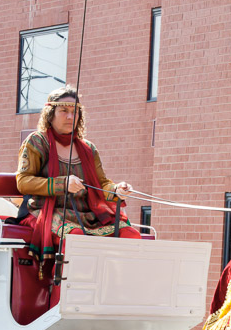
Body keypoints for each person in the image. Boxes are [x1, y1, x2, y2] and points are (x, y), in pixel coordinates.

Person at [16, 85, 139, 268]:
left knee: (131, 234)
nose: (70, 117)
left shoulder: (89, 148)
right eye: (64, 111)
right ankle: (65, 294)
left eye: (75, 112)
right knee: (77, 238)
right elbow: (23, 182)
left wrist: (117, 190)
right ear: (50, 113)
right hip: (47, 211)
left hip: (89, 214)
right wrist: (62, 184)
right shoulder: (36, 142)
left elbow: (102, 183)